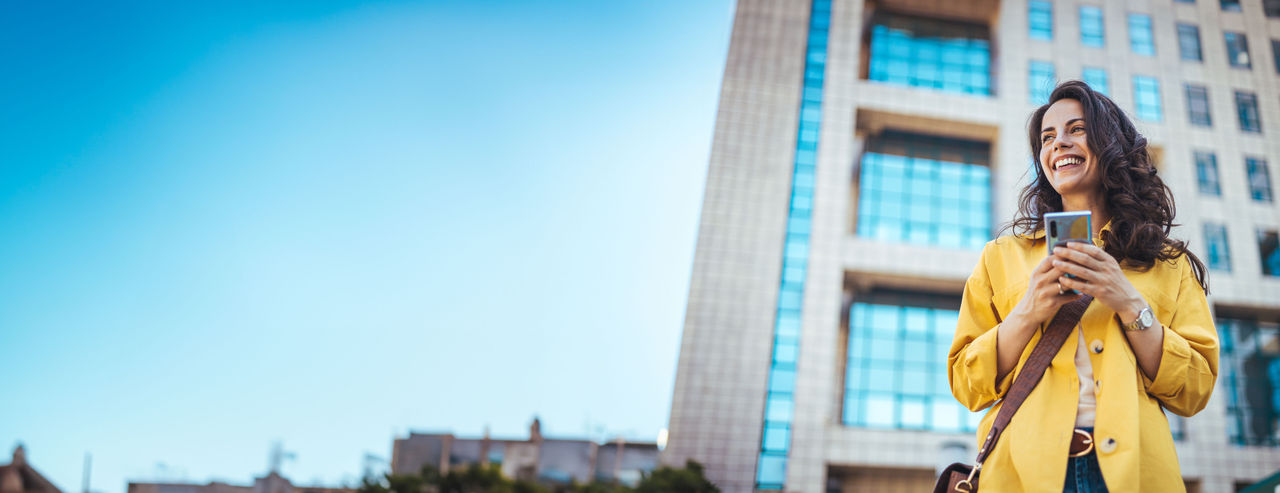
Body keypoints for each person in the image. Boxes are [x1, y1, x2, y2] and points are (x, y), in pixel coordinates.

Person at [948, 80, 1219, 492]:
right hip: (1022, 474)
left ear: (1110, 142)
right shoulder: (1001, 257)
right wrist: (1028, 311)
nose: (1059, 143)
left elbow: (1195, 389)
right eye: (1047, 137)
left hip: (1135, 475)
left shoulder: (1168, 262)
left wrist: (1129, 303)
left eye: (1076, 129)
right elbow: (967, 385)